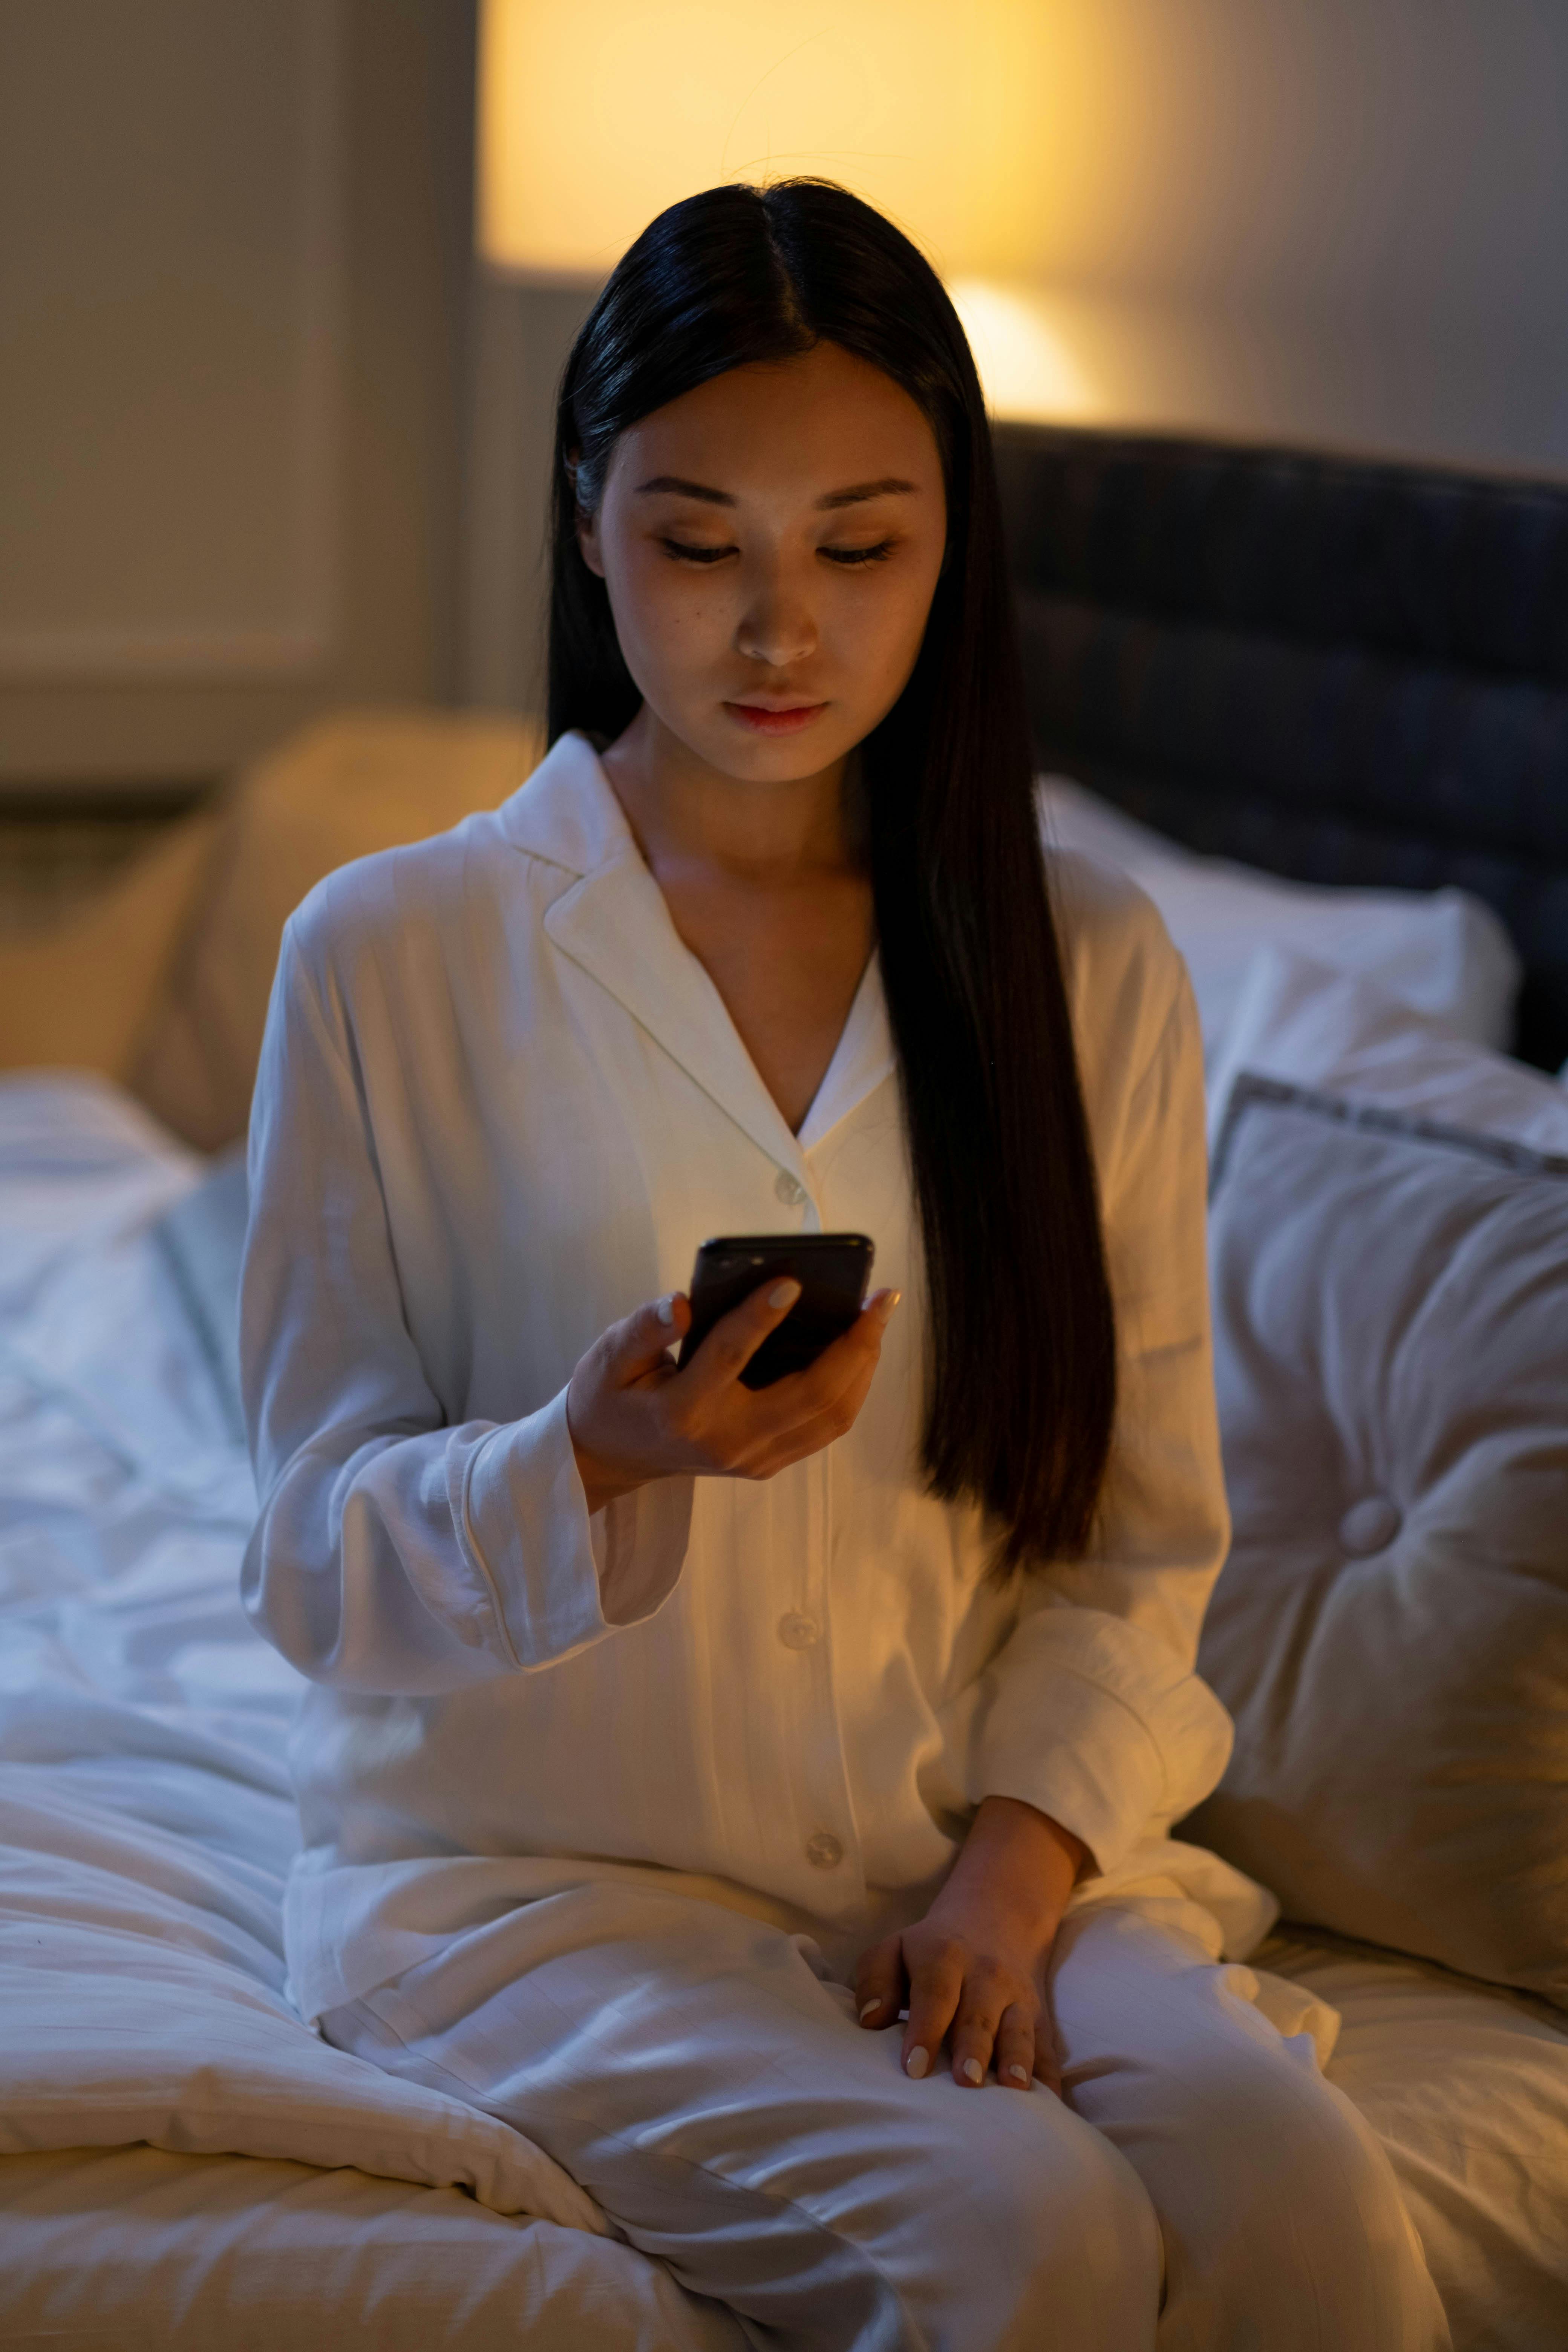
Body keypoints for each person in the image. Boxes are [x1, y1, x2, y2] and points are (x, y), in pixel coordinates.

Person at [240, 178, 1448, 2351]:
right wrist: (589, 1462)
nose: (774, 629)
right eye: (699, 544)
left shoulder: (1084, 965)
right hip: (539, 1888)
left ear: (952, 546)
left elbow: (1140, 1529)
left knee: (1317, 2211)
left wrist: (1017, 1862)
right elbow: (313, 1563)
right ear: (586, 528)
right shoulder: (391, 956)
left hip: (970, 1857)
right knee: (1019, 2238)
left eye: (859, 546)